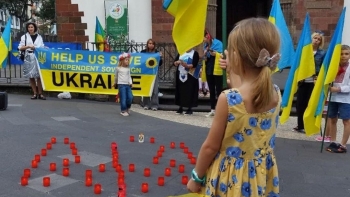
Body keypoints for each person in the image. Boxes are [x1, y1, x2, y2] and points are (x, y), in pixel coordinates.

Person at [186, 18, 281, 197]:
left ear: (236, 56)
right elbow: (244, 88)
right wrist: (231, 70)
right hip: (260, 176)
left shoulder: (228, 99)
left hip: (230, 180)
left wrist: (196, 177)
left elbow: (210, 147)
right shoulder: (275, 92)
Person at [294, 31, 326, 133]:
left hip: (314, 82)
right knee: (300, 104)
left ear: (320, 42)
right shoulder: (304, 51)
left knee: (310, 104)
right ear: (311, 39)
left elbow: (322, 68)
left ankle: (308, 125)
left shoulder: (322, 53)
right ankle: (300, 125)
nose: (316, 40)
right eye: (315, 38)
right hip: (303, 81)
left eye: (318, 39)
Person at [325, 45, 350, 153]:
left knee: (346, 121)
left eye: (346, 54)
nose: (344, 56)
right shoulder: (333, 66)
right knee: (332, 119)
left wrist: (339, 89)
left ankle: (343, 144)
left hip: (346, 98)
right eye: (341, 54)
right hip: (333, 97)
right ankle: (333, 141)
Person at [18, 22, 46, 100]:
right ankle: (34, 93)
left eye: (32, 27)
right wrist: (28, 46)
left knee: (39, 76)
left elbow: (42, 46)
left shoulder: (39, 37)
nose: (30, 28)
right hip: (28, 57)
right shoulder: (24, 37)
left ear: (34, 28)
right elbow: (20, 47)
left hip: (38, 57)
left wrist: (44, 48)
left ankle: (40, 93)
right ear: (27, 28)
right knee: (31, 76)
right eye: (29, 27)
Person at [202, 29, 224, 117]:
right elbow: (206, 58)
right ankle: (212, 109)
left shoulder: (218, 43)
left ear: (207, 36)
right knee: (211, 90)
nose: (203, 41)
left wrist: (216, 54)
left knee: (219, 89)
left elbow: (223, 55)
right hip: (209, 68)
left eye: (204, 38)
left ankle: (220, 109)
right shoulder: (205, 45)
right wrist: (205, 54)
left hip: (217, 68)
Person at [174, 48, 200, 115]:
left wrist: (187, 66)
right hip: (180, 73)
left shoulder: (195, 53)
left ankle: (189, 108)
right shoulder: (181, 52)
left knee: (189, 91)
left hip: (190, 75)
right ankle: (180, 107)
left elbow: (195, 64)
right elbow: (175, 62)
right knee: (180, 90)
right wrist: (177, 62)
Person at [141, 39, 163, 111]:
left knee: (155, 90)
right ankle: (146, 104)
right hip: (146, 73)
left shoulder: (156, 52)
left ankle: (154, 105)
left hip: (154, 73)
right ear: (147, 44)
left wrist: (160, 57)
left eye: (152, 43)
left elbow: (160, 64)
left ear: (154, 45)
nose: (151, 45)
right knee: (146, 88)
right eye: (149, 43)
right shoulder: (143, 52)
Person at [113, 52, 133, 117]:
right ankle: (123, 110)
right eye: (126, 60)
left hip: (127, 85)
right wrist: (115, 82)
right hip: (121, 85)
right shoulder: (118, 68)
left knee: (130, 97)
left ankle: (128, 107)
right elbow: (116, 76)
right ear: (122, 60)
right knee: (123, 98)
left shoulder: (128, 68)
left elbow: (129, 76)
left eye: (128, 60)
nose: (128, 61)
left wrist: (131, 82)